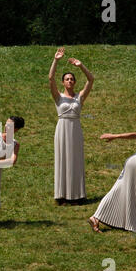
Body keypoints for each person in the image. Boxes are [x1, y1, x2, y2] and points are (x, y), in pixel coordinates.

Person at [48, 47, 94, 206]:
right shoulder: (58, 97)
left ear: (74, 82)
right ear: (63, 82)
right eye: (66, 79)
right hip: (62, 129)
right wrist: (56, 60)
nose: (69, 81)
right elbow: (50, 78)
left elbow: (91, 80)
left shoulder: (79, 97)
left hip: (75, 130)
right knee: (62, 159)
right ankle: (61, 196)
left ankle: (77, 195)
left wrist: (81, 66)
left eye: (71, 79)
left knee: (75, 160)